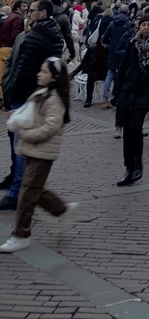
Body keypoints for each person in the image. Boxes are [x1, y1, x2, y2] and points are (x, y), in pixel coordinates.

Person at [0, 57, 76, 253]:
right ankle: (62, 209)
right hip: (33, 150)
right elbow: (33, 115)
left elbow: (50, 127)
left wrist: (26, 134)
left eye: (44, 71)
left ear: (54, 77)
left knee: (27, 194)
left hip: (42, 152)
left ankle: (21, 235)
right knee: (35, 188)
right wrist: (16, 115)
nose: (39, 74)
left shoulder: (54, 100)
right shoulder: (42, 94)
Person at [0, 0, 64, 213]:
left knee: (21, 146)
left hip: (26, 96)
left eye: (33, 11)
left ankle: (17, 192)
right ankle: (17, 183)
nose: (29, 14)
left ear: (43, 13)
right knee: (21, 148)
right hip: (38, 95)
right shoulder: (54, 34)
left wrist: (11, 99)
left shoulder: (35, 36)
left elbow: (24, 69)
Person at [112, 17, 149, 186]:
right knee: (127, 132)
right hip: (127, 91)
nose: (146, 27)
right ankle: (129, 168)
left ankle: (138, 164)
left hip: (144, 92)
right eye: (143, 24)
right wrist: (116, 91)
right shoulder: (132, 43)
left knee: (135, 127)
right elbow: (123, 67)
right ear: (139, 26)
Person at [101, 3, 134, 109]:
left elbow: (105, 39)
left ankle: (105, 99)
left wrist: (109, 46)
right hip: (124, 52)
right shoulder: (130, 24)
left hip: (112, 51)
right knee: (122, 76)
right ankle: (118, 99)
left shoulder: (112, 23)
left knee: (109, 74)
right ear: (128, 12)